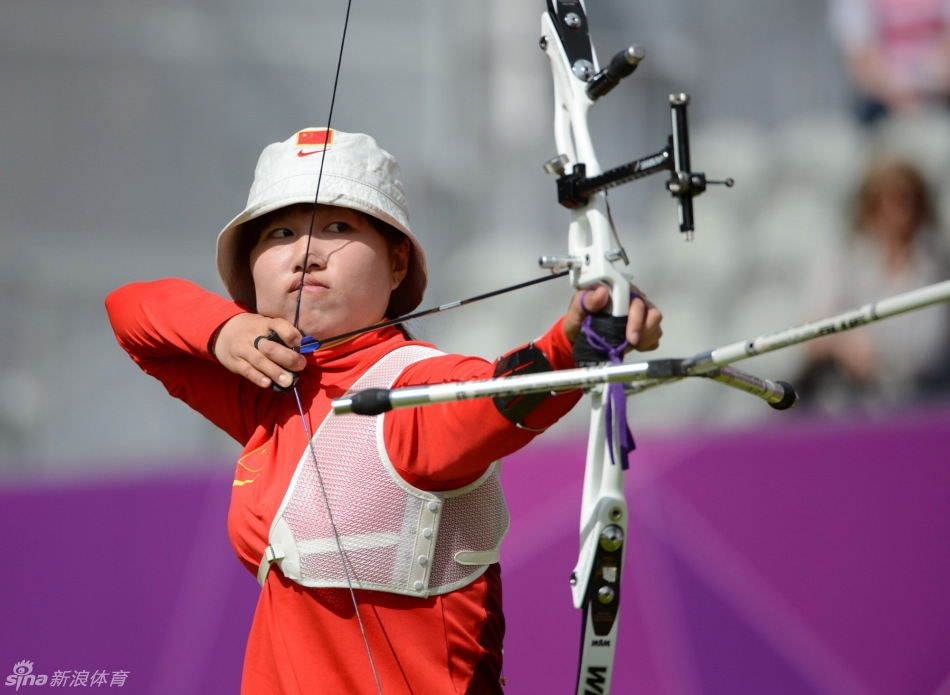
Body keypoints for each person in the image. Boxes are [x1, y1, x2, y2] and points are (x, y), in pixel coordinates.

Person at [105, 127, 663, 694]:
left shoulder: (410, 390)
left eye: (339, 228)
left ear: (397, 264)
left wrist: (579, 341)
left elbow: (496, 396)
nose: (305, 253)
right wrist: (223, 329)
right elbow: (129, 311)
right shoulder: (269, 388)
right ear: (251, 268)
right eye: (279, 232)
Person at [800, 155, 950, 411]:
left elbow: (934, 343)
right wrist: (843, 342)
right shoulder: (844, 261)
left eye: (907, 200)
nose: (898, 213)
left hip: (931, 398)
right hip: (858, 400)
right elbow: (811, 335)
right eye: (887, 201)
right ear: (869, 206)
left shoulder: (939, 263)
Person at [829, 0, 950, 126]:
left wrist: (930, 78)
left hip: (939, 86)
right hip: (881, 95)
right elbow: (859, 58)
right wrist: (896, 89)